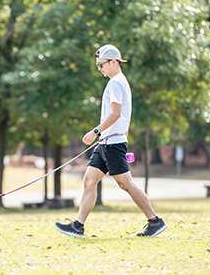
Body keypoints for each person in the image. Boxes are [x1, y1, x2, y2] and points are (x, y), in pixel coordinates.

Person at [55, 44, 166, 238]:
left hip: (113, 143)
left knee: (126, 184)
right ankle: (78, 226)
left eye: (101, 65)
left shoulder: (116, 83)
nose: (100, 69)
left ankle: (155, 221)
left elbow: (115, 114)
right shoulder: (116, 81)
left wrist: (95, 132)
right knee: (90, 180)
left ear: (114, 62)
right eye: (98, 65)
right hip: (106, 143)